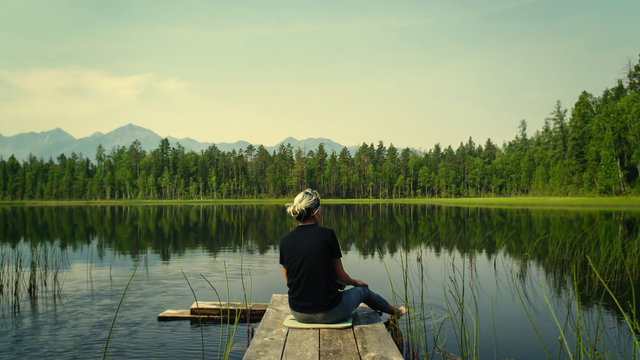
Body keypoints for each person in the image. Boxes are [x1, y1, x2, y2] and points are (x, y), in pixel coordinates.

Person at [279, 188, 407, 324]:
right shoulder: (327, 235)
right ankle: (398, 311)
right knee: (363, 292)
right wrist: (356, 282)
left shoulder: (285, 240)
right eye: (320, 210)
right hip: (329, 312)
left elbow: (289, 281)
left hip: (298, 313)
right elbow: (342, 276)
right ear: (314, 211)